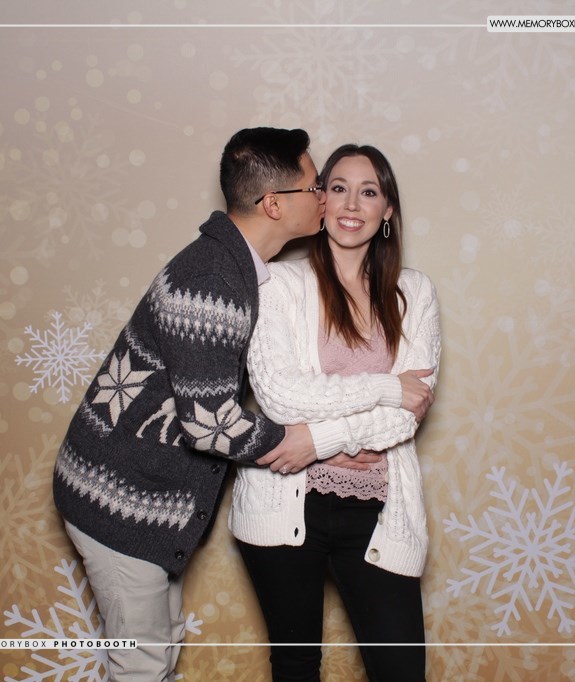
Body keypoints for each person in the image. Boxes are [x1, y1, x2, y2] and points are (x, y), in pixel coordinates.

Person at [53, 127, 326, 681]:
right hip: (115, 497)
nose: (324, 198)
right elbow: (208, 425)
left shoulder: (232, 267)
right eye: (315, 187)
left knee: (159, 648)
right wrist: (302, 441)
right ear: (274, 203)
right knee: (143, 664)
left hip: (133, 494)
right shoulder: (213, 282)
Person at [230, 144, 441, 681]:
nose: (351, 204)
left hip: (380, 508)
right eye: (339, 188)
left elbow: (409, 411)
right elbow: (280, 396)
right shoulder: (277, 283)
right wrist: (386, 387)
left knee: (400, 672)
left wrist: (317, 441)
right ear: (320, 199)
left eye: (368, 191)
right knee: (296, 666)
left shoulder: (415, 293)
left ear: (387, 209)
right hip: (285, 501)